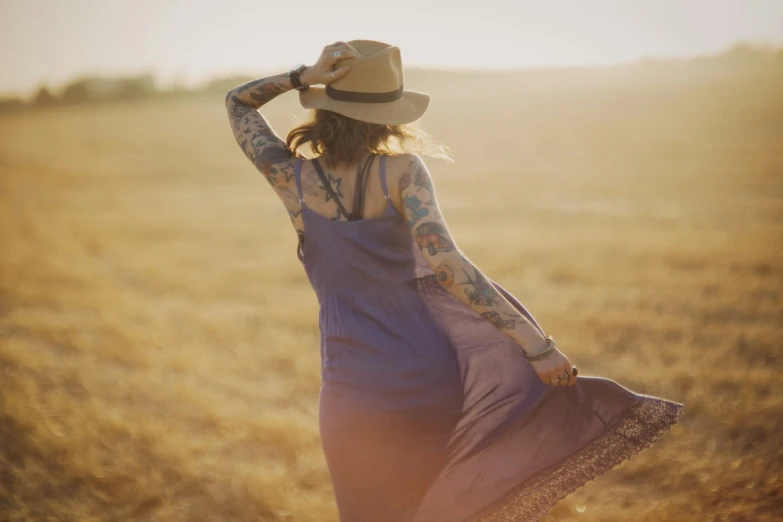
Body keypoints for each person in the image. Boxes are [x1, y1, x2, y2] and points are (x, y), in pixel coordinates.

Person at [224, 40, 685, 522]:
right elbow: (449, 266)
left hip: (351, 387)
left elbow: (238, 100)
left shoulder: (288, 177)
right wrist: (535, 345)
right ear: (387, 116)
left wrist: (304, 76)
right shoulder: (401, 170)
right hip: (426, 373)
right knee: (435, 505)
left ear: (323, 111)